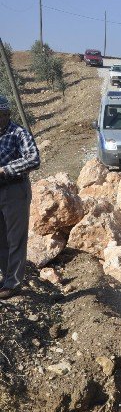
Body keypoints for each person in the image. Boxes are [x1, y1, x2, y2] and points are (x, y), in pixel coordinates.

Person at [0, 95, 40, 299]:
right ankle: (6, 277)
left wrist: (5, 170)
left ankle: (13, 283)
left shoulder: (18, 133)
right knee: (1, 238)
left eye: (2, 115)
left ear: (6, 114)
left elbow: (34, 159)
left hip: (14, 190)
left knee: (15, 238)